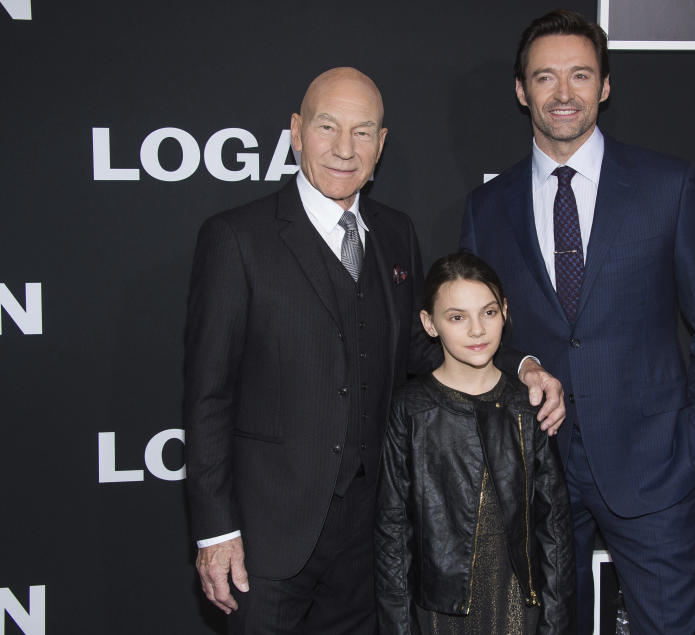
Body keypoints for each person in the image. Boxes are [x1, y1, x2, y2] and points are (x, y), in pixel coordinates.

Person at [184, 67, 565, 634]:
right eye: (327, 127)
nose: (344, 148)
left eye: (363, 132)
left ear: (381, 144)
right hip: (269, 536)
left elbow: (419, 346)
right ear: (295, 131)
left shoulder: (395, 232)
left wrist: (522, 364)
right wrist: (216, 531)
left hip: (370, 537)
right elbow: (208, 395)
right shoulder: (237, 239)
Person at [460, 11, 695, 634]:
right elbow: (475, 337)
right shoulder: (487, 207)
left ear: (605, 86)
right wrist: (525, 364)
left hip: (654, 466)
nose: (563, 94)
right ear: (521, 91)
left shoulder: (668, 186)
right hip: (538, 466)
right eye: (545, 78)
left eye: (580, 75)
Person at [376, 252, 576, 634]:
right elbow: (392, 536)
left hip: (519, 608)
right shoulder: (410, 409)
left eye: (488, 313)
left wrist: (554, 625)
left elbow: (555, 534)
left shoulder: (529, 405)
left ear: (504, 310)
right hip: (439, 613)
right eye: (457, 317)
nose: (477, 330)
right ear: (429, 323)